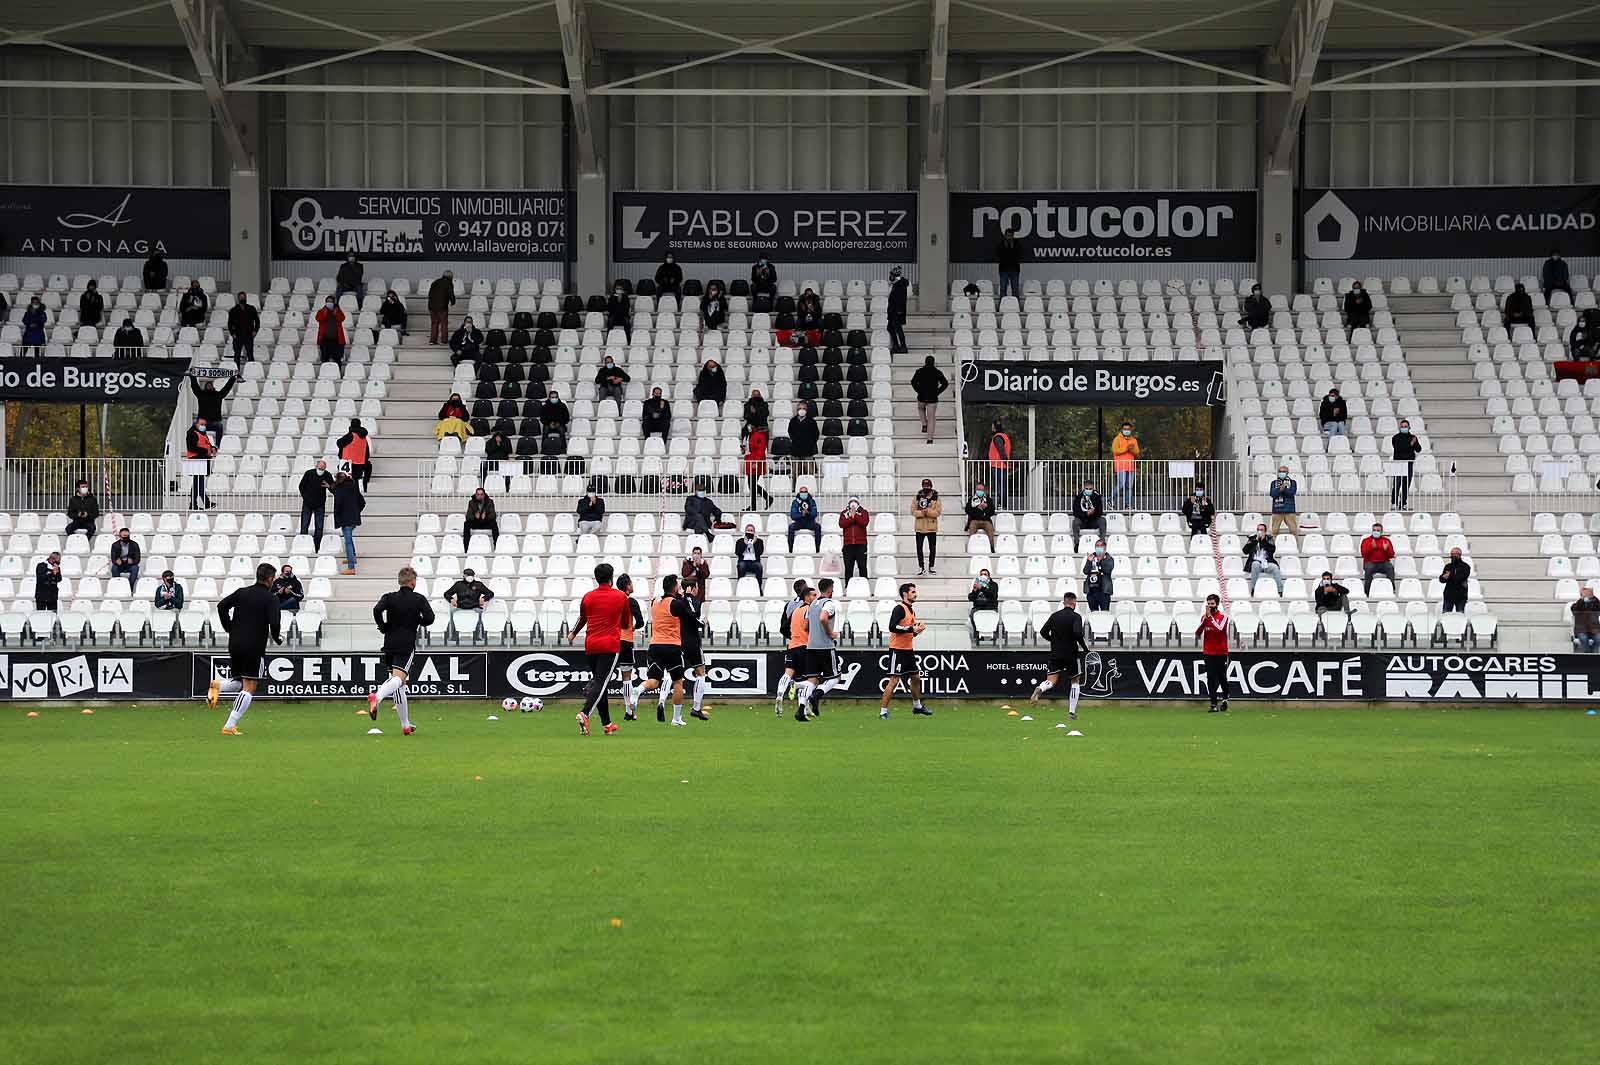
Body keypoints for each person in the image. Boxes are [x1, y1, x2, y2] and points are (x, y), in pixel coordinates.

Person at [206, 563, 285, 736]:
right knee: (249, 686)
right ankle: (229, 726)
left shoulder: (242, 592)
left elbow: (221, 606)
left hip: (235, 643)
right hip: (254, 646)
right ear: (270, 579)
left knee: (238, 682)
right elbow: (275, 622)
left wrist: (229, 627)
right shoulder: (270, 598)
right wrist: (277, 637)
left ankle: (217, 684)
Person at [567, 562, 634, 737]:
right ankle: (585, 713)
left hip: (591, 645)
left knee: (599, 682)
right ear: (611, 578)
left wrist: (573, 633)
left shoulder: (588, 597)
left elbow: (582, 618)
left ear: (596, 579)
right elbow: (626, 623)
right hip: (610, 645)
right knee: (601, 682)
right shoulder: (620, 597)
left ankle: (607, 724)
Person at [366, 566, 434, 736]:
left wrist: (383, 626)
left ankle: (405, 725)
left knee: (399, 685)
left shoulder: (389, 597)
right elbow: (430, 618)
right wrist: (418, 620)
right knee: (399, 679)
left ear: (400, 581)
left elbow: (376, 610)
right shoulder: (418, 599)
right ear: (413, 582)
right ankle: (378, 696)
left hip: (389, 643)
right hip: (406, 644)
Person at [634, 574, 696, 727]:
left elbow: (664, 601)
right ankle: (676, 718)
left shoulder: (655, 601)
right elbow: (691, 616)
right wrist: (686, 596)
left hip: (655, 645)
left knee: (654, 681)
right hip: (672, 646)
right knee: (677, 682)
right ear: (675, 587)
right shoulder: (675, 604)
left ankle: (638, 689)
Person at [1030, 592, 1089, 719]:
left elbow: (1043, 631)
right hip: (1071, 654)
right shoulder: (1076, 617)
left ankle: (1040, 688)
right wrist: (1085, 648)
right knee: (1075, 682)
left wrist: (1053, 640)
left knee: (1051, 681)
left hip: (1056, 653)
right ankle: (1072, 713)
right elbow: (1078, 633)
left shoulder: (1055, 616)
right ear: (1074, 602)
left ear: (1064, 602)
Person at [881, 583, 932, 719]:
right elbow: (892, 627)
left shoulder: (911, 610)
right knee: (894, 680)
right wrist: (911, 629)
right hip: (897, 650)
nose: (916, 594)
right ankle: (883, 711)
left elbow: (909, 632)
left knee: (916, 678)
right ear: (905, 594)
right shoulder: (899, 608)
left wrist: (917, 631)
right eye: (913, 592)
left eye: (915, 591)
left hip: (908, 650)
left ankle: (917, 706)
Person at [796, 577, 842, 722]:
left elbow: (805, 626)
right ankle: (817, 695)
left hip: (811, 647)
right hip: (825, 646)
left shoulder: (813, 604)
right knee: (835, 677)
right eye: (832, 589)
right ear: (829, 589)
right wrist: (830, 633)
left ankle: (800, 710)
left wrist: (815, 632)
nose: (833, 591)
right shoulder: (829, 604)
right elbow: (823, 618)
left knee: (812, 680)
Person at [773, 582, 815, 715]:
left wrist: (793, 636)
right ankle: (804, 706)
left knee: (787, 673)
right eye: (813, 595)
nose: (815, 598)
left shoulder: (794, 609)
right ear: (807, 596)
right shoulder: (810, 609)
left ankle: (780, 695)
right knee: (807, 679)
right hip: (805, 646)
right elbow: (811, 627)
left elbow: (783, 627)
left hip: (792, 645)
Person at [678, 577, 713, 722]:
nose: (698, 590)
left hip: (678, 641)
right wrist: (702, 623)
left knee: (673, 675)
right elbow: (692, 616)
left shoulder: (677, 601)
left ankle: (661, 703)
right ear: (692, 588)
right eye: (696, 587)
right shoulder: (692, 601)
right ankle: (696, 708)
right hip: (692, 642)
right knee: (701, 673)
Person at [614, 574, 647, 720]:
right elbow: (640, 622)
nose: (632, 586)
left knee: (604, 676)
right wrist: (633, 627)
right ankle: (629, 711)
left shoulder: (613, 600)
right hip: (625, 641)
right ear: (627, 586)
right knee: (626, 677)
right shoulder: (630, 601)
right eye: (631, 583)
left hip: (611, 641)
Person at [1195, 594, 1230, 713]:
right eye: (1208, 604)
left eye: (1212, 604)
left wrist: (1210, 618)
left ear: (1217, 604)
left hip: (1221, 652)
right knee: (1210, 677)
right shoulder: (1204, 618)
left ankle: (1225, 699)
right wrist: (1205, 620)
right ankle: (1213, 704)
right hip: (1208, 651)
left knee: (1221, 677)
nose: (1210, 606)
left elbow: (1219, 630)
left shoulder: (1223, 617)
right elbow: (1198, 632)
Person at [911, 355, 949, 443]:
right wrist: (938, 392)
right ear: (933, 362)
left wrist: (918, 390)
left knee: (921, 409)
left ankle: (924, 423)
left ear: (925, 362)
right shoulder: (937, 372)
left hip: (922, 396)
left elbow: (913, 382)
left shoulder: (919, 371)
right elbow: (945, 383)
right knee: (931, 418)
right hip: (932, 398)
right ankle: (930, 439)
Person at [297, 458, 334, 548]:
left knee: (319, 527)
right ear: (316, 466)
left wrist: (329, 486)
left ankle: (316, 546)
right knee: (304, 525)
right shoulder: (309, 473)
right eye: (319, 468)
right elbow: (301, 486)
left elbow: (333, 488)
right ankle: (303, 545)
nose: (321, 471)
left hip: (320, 504)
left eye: (323, 469)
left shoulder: (327, 475)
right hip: (307, 503)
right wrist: (306, 498)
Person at [333, 471, 365, 574]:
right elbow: (362, 501)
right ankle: (352, 557)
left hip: (345, 518)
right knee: (349, 539)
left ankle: (351, 567)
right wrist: (356, 511)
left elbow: (338, 504)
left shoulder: (339, 489)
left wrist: (337, 516)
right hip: (354, 517)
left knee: (348, 542)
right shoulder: (353, 486)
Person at [190, 373, 233, 443]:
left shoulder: (218, 395)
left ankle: (217, 446)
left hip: (215, 422)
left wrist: (232, 379)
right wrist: (192, 376)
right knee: (194, 428)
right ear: (205, 387)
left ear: (213, 387)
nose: (209, 386)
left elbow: (227, 388)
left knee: (219, 426)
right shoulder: (201, 394)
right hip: (202, 422)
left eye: (210, 385)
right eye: (208, 385)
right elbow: (194, 386)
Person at [1390, 419, 1424, 510]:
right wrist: (1411, 444)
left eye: (1406, 426)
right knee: (1397, 484)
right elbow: (1399, 448)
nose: (1404, 428)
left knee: (1406, 485)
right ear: (1399, 427)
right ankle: (1394, 503)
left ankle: (1403, 504)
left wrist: (1415, 442)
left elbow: (1418, 449)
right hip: (1398, 464)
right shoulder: (1395, 438)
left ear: (1409, 427)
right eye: (1402, 426)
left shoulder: (1413, 437)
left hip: (1408, 464)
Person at [184, 416, 216, 509]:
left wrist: (213, 448)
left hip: (202, 461)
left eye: (204, 425)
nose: (203, 426)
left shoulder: (202, 433)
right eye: (201, 424)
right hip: (196, 460)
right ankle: (206, 502)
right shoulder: (192, 433)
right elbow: (191, 447)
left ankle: (193, 504)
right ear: (196, 424)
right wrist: (206, 450)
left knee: (197, 483)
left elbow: (208, 444)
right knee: (199, 482)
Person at [913, 478, 942, 575]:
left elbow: (938, 512)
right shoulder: (917, 496)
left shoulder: (936, 497)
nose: (926, 487)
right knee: (919, 548)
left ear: (931, 486)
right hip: (920, 527)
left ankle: (931, 566)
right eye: (924, 486)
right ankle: (921, 567)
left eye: (928, 486)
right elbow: (913, 511)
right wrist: (922, 512)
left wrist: (928, 512)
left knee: (932, 548)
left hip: (931, 527)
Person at [1245, 522, 1283, 595]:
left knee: (1275, 567)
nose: (1260, 531)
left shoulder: (1269, 539)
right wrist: (1255, 541)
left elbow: (1272, 550)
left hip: (1266, 562)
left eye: (1262, 530)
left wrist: (1264, 541)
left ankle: (1280, 590)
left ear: (1265, 531)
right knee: (1255, 564)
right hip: (1255, 563)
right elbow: (1245, 551)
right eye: (1258, 529)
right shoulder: (1252, 538)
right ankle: (1254, 588)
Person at [742, 419, 772, 509]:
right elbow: (748, 450)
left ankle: (764, 500)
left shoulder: (759, 436)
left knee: (752, 484)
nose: (749, 427)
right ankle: (763, 501)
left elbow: (761, 450)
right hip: (749, 462)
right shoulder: (748, 436)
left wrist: (756, 462)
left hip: (756, 463)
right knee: (751, 485)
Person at [839, 497, 870, 583]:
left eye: (855, 501)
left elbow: (864, 523)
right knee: (848, 568)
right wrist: (851, 518)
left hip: (861, 544)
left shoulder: (864, 512)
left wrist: (855, 515)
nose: (853, 503)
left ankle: (865, 586)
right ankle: (848, 586)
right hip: (848, 545)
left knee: (862, 567)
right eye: (851, 502)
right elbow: (841, 524)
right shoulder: (844, 513)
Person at [337, 418, 372, 492]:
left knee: (346, 483)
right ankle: (356, 499)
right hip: (359, 464)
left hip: (348, 463)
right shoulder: (364, 438)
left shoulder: (351, 435)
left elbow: (339, 443)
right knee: (355, 483)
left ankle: (349, 499)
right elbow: (367, 452)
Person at [1361, 522, 1397, 594]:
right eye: (1374, 530)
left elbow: (1392, 555)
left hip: (1383, 563)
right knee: (1369, 569)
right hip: (1370, 562)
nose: (1376, 532)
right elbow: (1363, 554)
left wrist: (1386, 550)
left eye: (1378, 531)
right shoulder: (1366, 541)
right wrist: (1371, 548)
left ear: (1381, 532)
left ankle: (1391, 589)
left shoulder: (1386, 541)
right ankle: (1367, 592)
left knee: (1390, 567)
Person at [1111, 421, 1140, 508]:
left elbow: (1137, 452)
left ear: (1131, 430)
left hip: (1130, 466)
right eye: (1125, 429)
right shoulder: (1117, 439)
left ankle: (1128, 505)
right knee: (1121, 484)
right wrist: (1127, 448)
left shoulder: (1134, 440)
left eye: (1128, 429)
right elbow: (1115, 450)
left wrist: (1131, 449)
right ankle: (1110, 500)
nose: (1127, 430)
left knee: (1129, 487)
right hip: (1120, 466)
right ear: (1122, 429)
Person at [787, 406, 819, 479]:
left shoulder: (812, 421)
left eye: (803, 408)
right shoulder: (793, 421)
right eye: (799, 409)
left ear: (806, 410)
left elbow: (816, 434)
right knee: (795, 472)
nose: (801, 410)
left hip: (808, 451)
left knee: (810, 472)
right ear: (797, 410)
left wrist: (809, 444)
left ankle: (811, 488)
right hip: (795, 451)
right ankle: (795, 488)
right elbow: (790, 432)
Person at [227, 292, 260, 361]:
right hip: (238, 335)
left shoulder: (251, 308)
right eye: (241, 297)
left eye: (244, 297)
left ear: (246, 298)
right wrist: (232, 334)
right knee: (237, 355)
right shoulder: (233, 310)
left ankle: (251, 370)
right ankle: (237, 371)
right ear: (238, 298)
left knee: (250, 354)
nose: (243, 298)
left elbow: (257, 321)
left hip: (248, 334)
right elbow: (230, 323)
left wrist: (255, 331)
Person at [986, 421, 1012, 508]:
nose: (992, 428)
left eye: (992, 426)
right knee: (1002, 485)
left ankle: (1001, 504)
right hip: (1001, 465)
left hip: (998, 465)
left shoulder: (997, 437)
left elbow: (1001, 451)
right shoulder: (1004, 436)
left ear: (995, 427)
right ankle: (1003, 504)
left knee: (1000, 486)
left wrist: (1006, 462)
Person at [788, 486, 822, 552]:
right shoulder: (795, 502)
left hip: (809, 522)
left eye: (805, 492)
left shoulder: (812, 501)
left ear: (807, 492)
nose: (804, 493)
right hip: (799, 522)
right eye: (802, 492)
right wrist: (801, 515)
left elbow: (814, 514)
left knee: (818, 527)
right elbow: (793, 515)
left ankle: (817, 548)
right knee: (791, 527)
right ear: (799, 493)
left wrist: (808, 513)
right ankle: (790, 549)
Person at [1082, 541, 1114, 611]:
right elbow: (1085, 571)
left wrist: (1101, 560)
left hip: (1104, 591)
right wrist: (1089, 561)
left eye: (1101, 546)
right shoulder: (1091, 557)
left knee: (1105, 613)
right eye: (1097, 546)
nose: (1099, 547)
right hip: (1091, 590)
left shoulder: (1109, 559)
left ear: (1105, 548)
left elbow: (1108, 570)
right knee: (1093, 613)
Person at [964, 484, 996, 550]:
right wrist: (978, 508)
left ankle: (991, 547)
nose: (980, 491)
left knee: (990, 529)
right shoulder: (971, 500)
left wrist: (986, 508)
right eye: (978, 490)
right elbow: (967, 510)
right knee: (972, 527)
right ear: (976, 490)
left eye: (981, 490)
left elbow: (992, 511)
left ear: (984, 491)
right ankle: (972, 546)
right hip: (974, 520)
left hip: (986, 520)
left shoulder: (988, 500)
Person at [1268, 466, 1298, 537]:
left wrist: (1283, 489)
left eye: (1284, 472)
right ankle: (1273, 547)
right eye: (1280, 471)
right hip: (1277, 510)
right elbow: (1272, 494)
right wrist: (1280, 489)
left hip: (1289, 510)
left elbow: (1292, 493)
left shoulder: (1293, 482)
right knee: (1274, 531)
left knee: (1293, 531)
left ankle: (1295, 546)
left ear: (1287, 473)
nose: (1282, 473)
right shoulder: (1273, 483)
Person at [886, 266, 910, 354]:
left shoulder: (900, 285)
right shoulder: (897, 284)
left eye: (891, 275)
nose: (890, 277)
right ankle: (896, 345)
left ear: (894, 276)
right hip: (893, 311)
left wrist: (899, 311)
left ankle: (903, 347)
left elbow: (901, 299)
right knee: (890, 328)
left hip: (897, 312)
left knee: (898, 329)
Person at [428, 270, 456, 344]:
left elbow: (430, 294)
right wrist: (453, 301)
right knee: (444, 324)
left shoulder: (435, 282)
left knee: (434, 324)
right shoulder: (449, 283)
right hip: (442, 307)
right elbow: (450, 293)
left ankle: (433, 340)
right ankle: (444, 340)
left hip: (432, 306)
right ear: (450, 277)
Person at [315, 295, 345, 363]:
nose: (329, 303)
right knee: (325, 359)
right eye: (328, 301)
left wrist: (336, 313)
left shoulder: (337, 310)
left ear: (334, 302)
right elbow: (318, 318)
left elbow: (342, 318)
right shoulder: (321, 311)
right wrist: (324, 313)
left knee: (337, 360)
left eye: (331, 301)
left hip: (336, 340)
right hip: (325, 340)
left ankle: (338, 372)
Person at [1439, 548, 1471, 613]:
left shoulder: (1465, 566)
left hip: (1461, 596)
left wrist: (1450, 575)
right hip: (1448, 595)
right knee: (1445, 615)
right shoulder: (1448, 566)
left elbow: (1461, 578)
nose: (1453, 556)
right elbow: (1441, 580)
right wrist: (1444, 577)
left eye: (1455, 554)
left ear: (1459, 555)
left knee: (1460, 616)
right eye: (1452, 554)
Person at [995, 227, 1023, 300]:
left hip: (1015, 269)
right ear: (1005, 235)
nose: (1009, 237)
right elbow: (998, 255)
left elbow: (1020, 254)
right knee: (1003, 288)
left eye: (1011, 235)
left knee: (1015, 289)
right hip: (1003, 269)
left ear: (1013, 235)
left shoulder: (1017, 243)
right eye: (1008, 235)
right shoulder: (1000, 244)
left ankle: (1016, 305)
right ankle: (1002, 305)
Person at [735, 523, 765, 592]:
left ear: (754, 532)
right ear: (745, 532)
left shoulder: (759, 541)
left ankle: (758, 588)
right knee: (741, 566)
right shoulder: (740, 541)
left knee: (759, 566)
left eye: (751, 530)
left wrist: (754, 543)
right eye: (748, 530)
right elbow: (737, 553)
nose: (750, 532)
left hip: (754, 562)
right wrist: (745, 544)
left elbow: (760, 553)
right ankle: (740, 588)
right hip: (743, 561)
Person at [1571, 586, 1600, 652]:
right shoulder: (1576, 605)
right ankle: (1587, 653)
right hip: (1582, 629)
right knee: (1584, 638)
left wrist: (1593, 597)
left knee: (1598, 638)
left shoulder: (1595, 603)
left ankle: (1594, 652)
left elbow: (1598, 607)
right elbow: (1576, 609)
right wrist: (1582, 599)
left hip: (1594, 629)